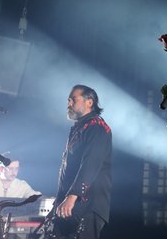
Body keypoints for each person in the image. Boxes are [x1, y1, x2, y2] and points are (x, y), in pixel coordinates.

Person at [51, 84, 112, 239]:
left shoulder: (97, 127)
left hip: (87, 205)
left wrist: (72, 196)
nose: (69, 104)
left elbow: (91, 164)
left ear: (89, 102)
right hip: (70, 204)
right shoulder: (80, 128)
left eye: (73, 100)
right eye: (68, 100)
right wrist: (60, 199)